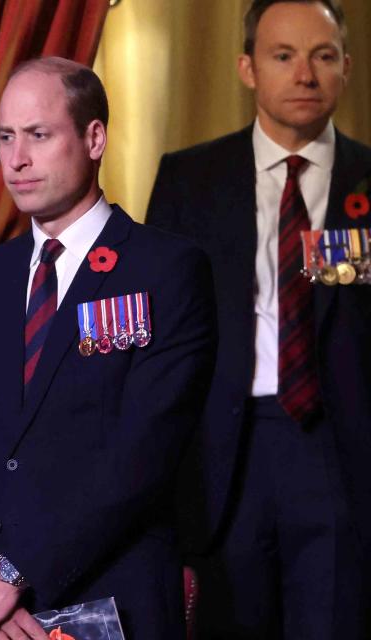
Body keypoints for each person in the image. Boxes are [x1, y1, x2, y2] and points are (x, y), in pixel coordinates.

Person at [0, 57, 217, 640]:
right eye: (5, 138)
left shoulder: (166, 271)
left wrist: (14, 573)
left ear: (94, 137)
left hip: (110, 599)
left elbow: (140, 456)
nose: (16, 159)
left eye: (39, 135)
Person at [147, 1, 371, 637]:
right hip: (226, 452)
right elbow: (163, 335)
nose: (305, 74)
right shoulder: (189, 180)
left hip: (341, 453)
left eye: (323, 56)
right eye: (283, 55)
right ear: (247, 68)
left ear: (346, 68)